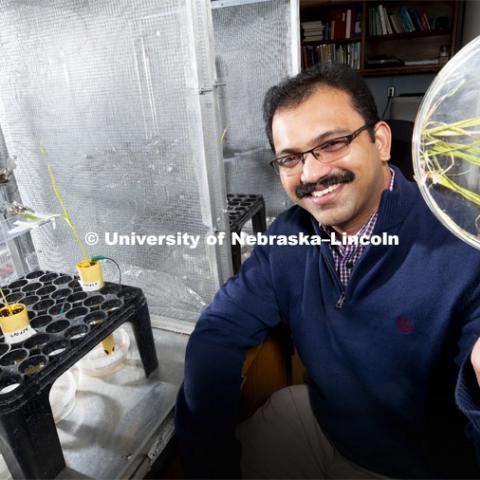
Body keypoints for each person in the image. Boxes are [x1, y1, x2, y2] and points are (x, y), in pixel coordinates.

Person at [175, 63, 480, 478]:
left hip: (415, 465)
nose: (312, 173)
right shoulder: (289, 238)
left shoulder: (461, 249)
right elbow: (219, 329)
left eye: (333, 143)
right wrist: (209, 460)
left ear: (381, 141)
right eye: (290, 158)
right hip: (322, 421)